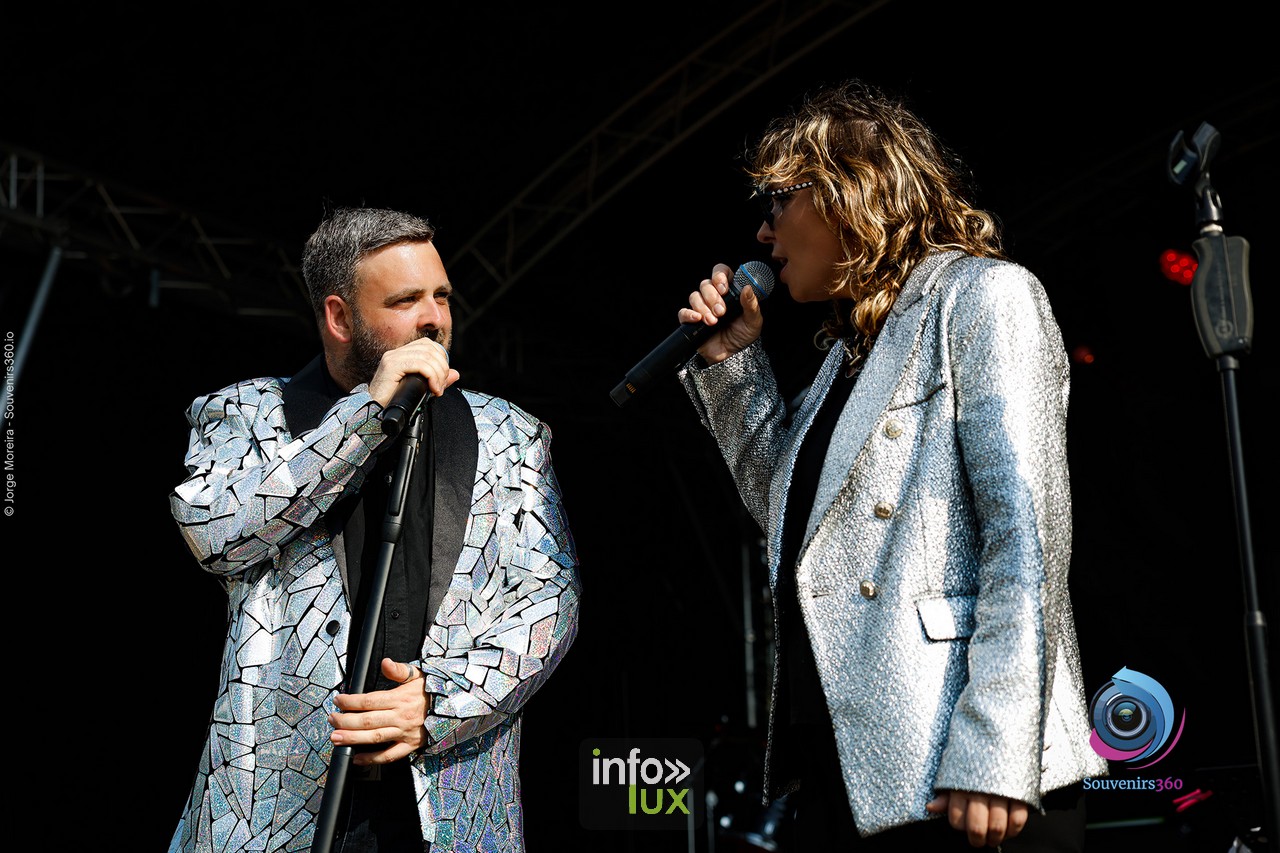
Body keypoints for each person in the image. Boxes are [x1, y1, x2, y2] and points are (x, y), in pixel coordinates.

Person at [676, 80, 1108, 850]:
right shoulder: (843, 362)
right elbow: (798, 530)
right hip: (852, 768)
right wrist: (730, 366)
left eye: (779, 200)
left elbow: (1026, 536)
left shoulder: (983, 296)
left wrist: (996, 748)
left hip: (959, 771)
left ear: (849, 192)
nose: (764, 232)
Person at [168, 206, 581, 853]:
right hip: (275, 815)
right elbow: (215, 533)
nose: (434, 317)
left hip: (445, 810)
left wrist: (439, 703)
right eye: (406, 300)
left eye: (441, 295)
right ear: (339, 317)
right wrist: (365, 415)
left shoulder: (510, 432)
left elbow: (550, 599)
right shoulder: (246, 412)